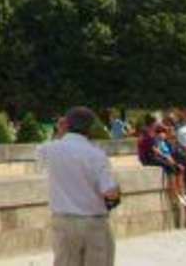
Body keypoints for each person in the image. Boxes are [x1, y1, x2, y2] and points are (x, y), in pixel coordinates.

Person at [37, 106, 123, 265]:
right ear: (90, 127)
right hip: (94, 222)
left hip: (63, 221)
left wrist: (60, 132)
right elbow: (109, 193)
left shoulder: (49, 150)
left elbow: (41, 152)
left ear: (66, 124)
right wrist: (117, 190)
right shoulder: (96, 154)